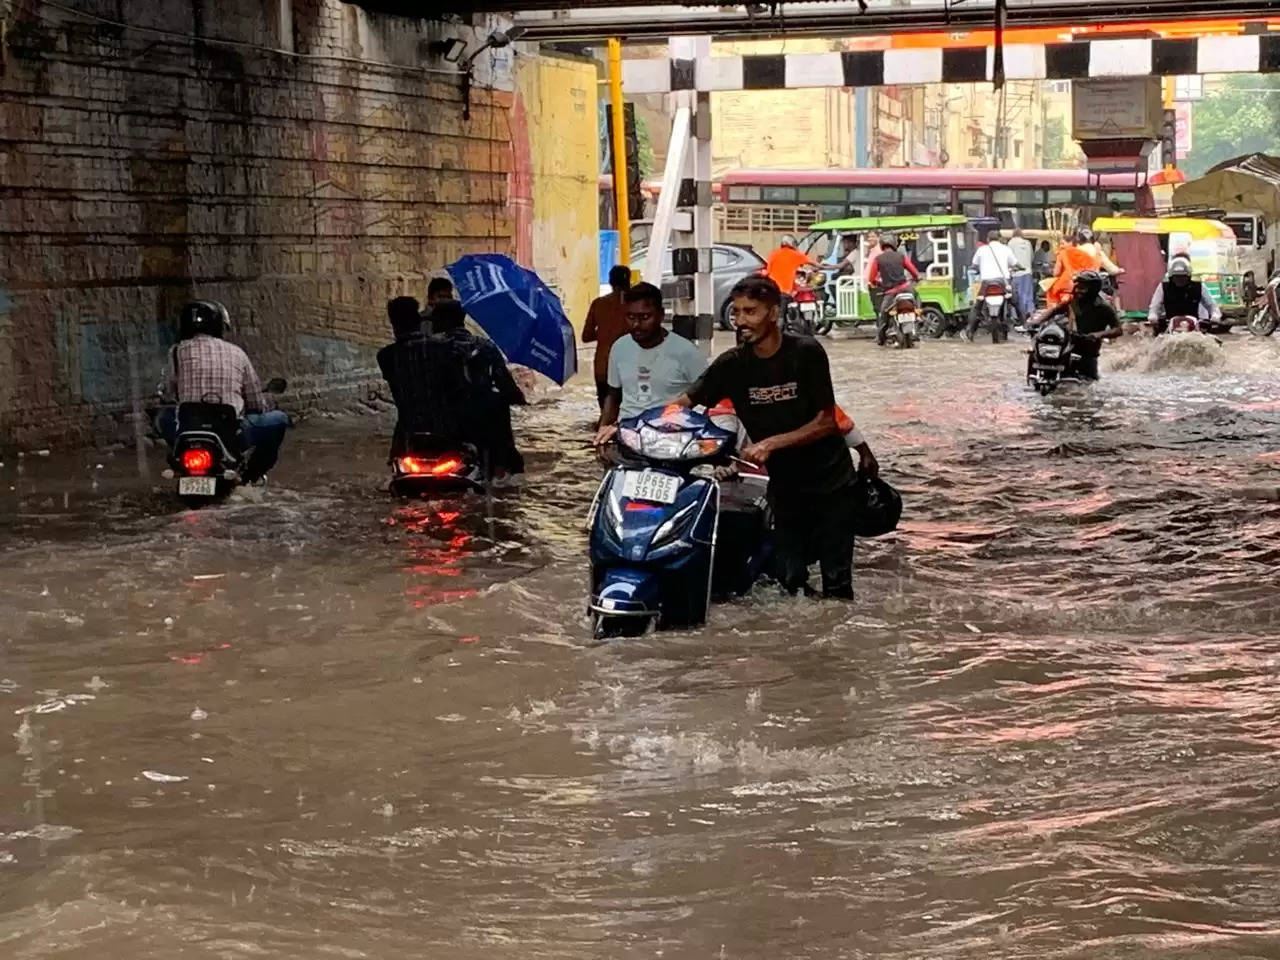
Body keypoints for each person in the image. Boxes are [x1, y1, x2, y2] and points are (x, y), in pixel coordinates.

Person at [680, 276, 879, 599]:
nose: (741, 321)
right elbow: (684, 404)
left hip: (832, 484)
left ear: (773, 313)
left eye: (751, 312)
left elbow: (827, 421)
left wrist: (771, 443)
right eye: (737, 312)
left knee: (837, 584)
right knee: (789, 582)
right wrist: (631, 428)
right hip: (785, 489)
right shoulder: (731, 365)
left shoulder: (806, 352)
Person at [156, 300, 289, 483]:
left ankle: (179, 458)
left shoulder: (176, 352)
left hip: (188, 428)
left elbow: (167, 393)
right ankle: (251, 476)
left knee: (164, 418)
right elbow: (256, 404)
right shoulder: (237, 353)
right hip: (230, 432)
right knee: (279, 419)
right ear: (220, 326)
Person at [593, 282, 707, 445]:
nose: (636, 325)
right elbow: (613, 396)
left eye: (645, 317)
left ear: (661, 315)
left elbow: (710, 398)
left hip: (669, 440)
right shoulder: (619, 347)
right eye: (630, 317)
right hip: (626, 436)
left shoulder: (687, 353)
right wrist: (602, 433)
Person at [429, 299, 527, 477]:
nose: (432, 323)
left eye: (435, 319)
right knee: (508, 460)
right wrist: (517, 398)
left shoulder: (431, 348)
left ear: (444, 321)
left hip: (446, 420)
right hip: (485, 419)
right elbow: (504, 382)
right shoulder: (485, 345)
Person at [1037, 269, 1121, 381]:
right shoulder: (1073, 300)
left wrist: (1098, 334)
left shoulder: (1104, 307)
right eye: (1077, 286)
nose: (1078, 290)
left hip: (1088, 350)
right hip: (1069, 345)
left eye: (1082, 288)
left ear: (1092, 289)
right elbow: (1055, 310)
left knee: (1089, 383)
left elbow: (1118, 330)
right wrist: (1036, 322)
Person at [583, 265, 633, 417]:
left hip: (603, 367)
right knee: (629, 414)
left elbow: (586, 336)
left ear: (611, 282)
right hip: (630, 366)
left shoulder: (598, 304)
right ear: (629, 281)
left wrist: (604, 333)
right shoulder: (636, 306)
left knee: (606, 414)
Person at [964, 229, 1023, 339]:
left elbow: (974, 265)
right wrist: (1021, 267)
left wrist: (976, 269)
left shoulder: (981, 250)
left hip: (986, 282)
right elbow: (1015, 263)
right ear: (1000, 238)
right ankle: (1024, 324)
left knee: (977, 306)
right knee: (1015, 302)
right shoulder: (1006, 249)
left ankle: (970, 330)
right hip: (1003, 282)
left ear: (987, 239)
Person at [867, 233, 921, 345]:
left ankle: (880, 339)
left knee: (883, 314)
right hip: (906, 288)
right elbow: (914, 271)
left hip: (891, 293)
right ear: (894, 244)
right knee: (917, 299)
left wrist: (877, 283)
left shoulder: (878, 259)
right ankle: (919, 315)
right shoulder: (901, 256)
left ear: (882, 245)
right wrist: (917, 278)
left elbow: (871, 278)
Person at [1147, 258, 1221, 333]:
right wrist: (1153, 316)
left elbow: (1211, 305)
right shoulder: (1163, 287)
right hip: (1169, 326)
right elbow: (1155, 306)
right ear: (1171, 277)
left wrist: (1215, 315)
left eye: (1183, 276)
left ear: (1188, 276)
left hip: (1195, 326)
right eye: (1177, 277)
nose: (1180, 279)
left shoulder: (1199, 286)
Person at [1008, 228, 1036, 318]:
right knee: (1029, 295)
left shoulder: (1010, 243)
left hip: (1017, 273)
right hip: (1028, 272)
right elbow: (1032, 258)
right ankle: (1032, 315)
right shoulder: (1028, 243)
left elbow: (1009, 259)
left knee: (1019, 296)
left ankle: (1021, 317)